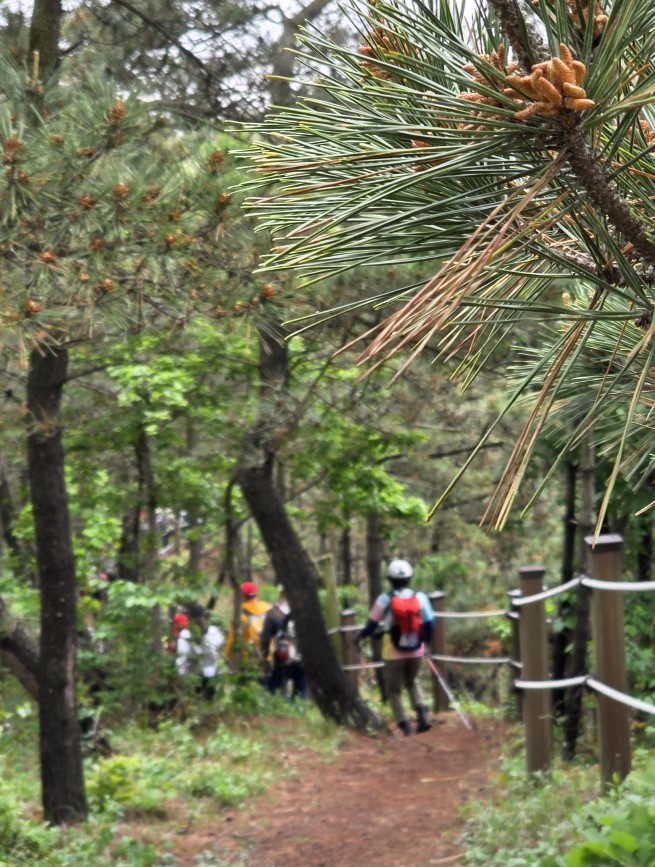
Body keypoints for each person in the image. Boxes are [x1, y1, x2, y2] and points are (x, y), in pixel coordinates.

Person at [355, 559, 434, 736]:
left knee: (394, 689)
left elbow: (371, 625)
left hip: (393, 651)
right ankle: (423, 715)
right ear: (409, 578)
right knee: (412, 681)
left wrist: (360, 637)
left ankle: (405, 725)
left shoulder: (384, 599)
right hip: (416, 649)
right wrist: (425, 643)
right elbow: (430, 623)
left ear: (390, 579)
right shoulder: (420, 598)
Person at [260, 587, 307, 701]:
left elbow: (265, 637)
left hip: (283, 657)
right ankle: (301, 712)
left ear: (281, 594)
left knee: (276, 689)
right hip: (303, 657)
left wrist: (265, 655)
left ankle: (283, 710)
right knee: (301, 689)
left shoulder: (273, 613)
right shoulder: (305, 610)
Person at [175, 602, 225, 700]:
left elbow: (181, 657)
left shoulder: (186, 634)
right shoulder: (214, 631)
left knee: (196, 700)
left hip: (198, 674)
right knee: (207, 701)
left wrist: (180, 675)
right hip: (206, 673)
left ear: (189, 618)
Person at [224, 581, 271, 667]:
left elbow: (232, 639)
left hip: (250, 661)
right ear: (256, 593)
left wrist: (227, 657)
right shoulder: (268, 607)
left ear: (242, 595)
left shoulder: (240, 616)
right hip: (271, 656)